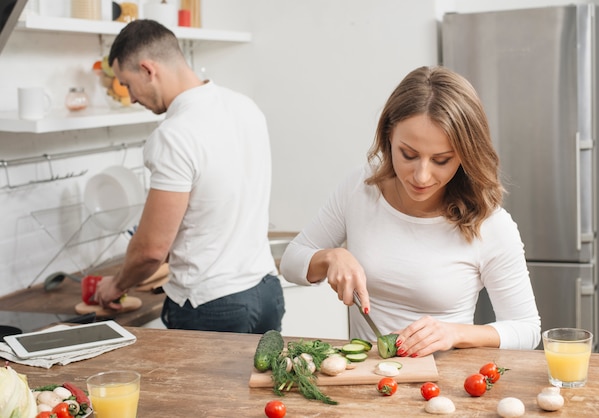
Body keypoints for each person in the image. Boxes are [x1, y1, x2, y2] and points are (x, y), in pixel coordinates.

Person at [280, 66, 541, 356]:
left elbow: (527, 328)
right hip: (369, 378)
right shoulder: (360, 187)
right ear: (389, 135)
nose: (421, 176)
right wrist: (330, 257)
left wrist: (453, 332)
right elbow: (291, 261)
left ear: (465, 156)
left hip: (445, 387)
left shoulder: (490, 223)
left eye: (441, 160)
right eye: (409, 154)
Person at [94, 19, 284, 334]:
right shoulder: (245, 107)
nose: (131, 98)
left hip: (212, 305)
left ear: (148, 70)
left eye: (127, 84)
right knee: (260, 385)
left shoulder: (173, 134)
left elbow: (152, 250)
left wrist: (116, 284)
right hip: (265, 292)